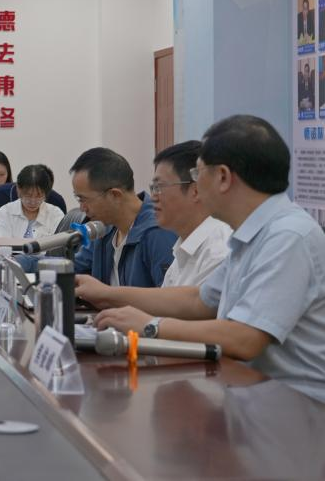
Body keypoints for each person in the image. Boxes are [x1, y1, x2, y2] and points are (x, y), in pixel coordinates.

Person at [86, 115, 325, 402]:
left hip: (298, 410)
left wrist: (151, 325)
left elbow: (246, 338)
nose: (196, 186)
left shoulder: (288, 236)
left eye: (198, 174)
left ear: (223, 177)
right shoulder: (251, 234)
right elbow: (199, 300)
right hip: (252, 398)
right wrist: (108, 295)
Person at [76, 141, 230, 301]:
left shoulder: (218, 251)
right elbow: (166, 305)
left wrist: (107, 295)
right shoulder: (182, 249)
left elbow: (195, 307)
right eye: (153, 188)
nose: (154, 197)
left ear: (196, 190)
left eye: (160, 187)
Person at [66, 147, 177, 287]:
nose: (82, 208)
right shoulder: (105, 229)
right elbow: (73, 268)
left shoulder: (157, 233)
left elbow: (168, 297)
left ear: (115, 195)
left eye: (83, 199)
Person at [0, 164, 65, 243]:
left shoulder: (56, 214)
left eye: (39, 196)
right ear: (18, 189)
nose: (33, 201)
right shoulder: (5, 212)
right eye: (28, 195)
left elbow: (58, 246)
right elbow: (4, 245)